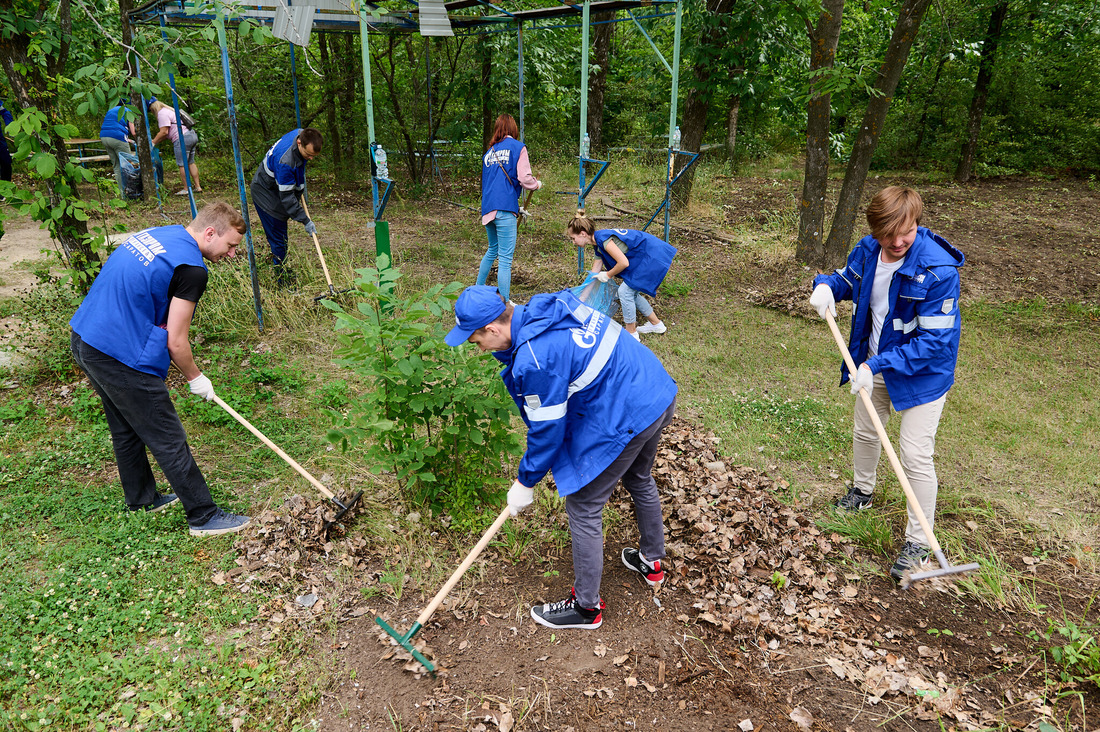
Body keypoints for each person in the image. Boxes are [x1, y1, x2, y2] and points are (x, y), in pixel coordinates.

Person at [445, 285, 678, 629]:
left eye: (475, 341)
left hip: (630, 406)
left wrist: (525, 482)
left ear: (493, 329)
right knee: (638, 477)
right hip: (655, 389)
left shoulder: (536, 358)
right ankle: (652, 562)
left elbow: (547, 430)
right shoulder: (547, 306)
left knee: (583, 506)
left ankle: (586, 608)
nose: (477, 348)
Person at [809, 186, 964, 581]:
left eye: (905, 232)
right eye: (887, 234)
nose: (897, 242)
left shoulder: (938, 270)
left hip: (924, 373)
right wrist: (826, 286)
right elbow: (848, 280)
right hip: (873, 363)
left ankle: (920, 542)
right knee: (866, 430)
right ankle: (862, 493)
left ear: (917, 222)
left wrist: (875, 363)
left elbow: (933, 343)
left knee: (914, 454)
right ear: (875, 229)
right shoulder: (867, 250)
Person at [69, 202, 252, 537]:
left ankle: (142, 498)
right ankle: (203, 515)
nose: (232, 254)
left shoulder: (160, 235)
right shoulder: (192, 269)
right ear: (210, 233)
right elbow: (177, 342)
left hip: (85, 339)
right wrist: (196, 378)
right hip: (118, 354)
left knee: (125, 427)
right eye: (230, 246)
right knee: (167, 435)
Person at [566, 217, 674, 340]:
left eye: (573, 238)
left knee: (625, 292)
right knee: (630, 293)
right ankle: (657, 324)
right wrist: (582, 299)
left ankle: (631, 334)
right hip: (646, 257)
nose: (573, 242)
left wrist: (607, 274)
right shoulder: (598, 245)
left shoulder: (603, 239)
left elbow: (623, 263)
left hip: (652, 256)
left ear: (583, 234)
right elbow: (594, 273)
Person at [477, 114, 541, 301]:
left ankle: (477, 291)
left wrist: (516, 207)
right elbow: (524, 178)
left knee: (492, 250)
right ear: (513, 129)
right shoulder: (518, 147)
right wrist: (537, 185)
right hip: (504, 209)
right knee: (505, 259)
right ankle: (504, 303)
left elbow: (491, 184)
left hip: (488, 208)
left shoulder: (489, 153)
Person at [250, 127, 322, 281]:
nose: (311, 159)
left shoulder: (301, 133)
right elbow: (288, 199)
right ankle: (281, 278)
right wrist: (305, 220)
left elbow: (298, 170)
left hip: (276, 187)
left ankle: (281, 269)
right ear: (299, 143)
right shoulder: (285, 162)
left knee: (281, 234)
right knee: (279, 237)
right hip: (265, 193)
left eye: (314, 155)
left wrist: (299, 190)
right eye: (309, 155)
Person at [148, 97, 202, 196]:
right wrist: (156, 140)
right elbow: (168, 133)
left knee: (182, 164)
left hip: (182, 138)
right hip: (191, 135)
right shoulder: (169, 110)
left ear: (152, 108)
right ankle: (198, 187)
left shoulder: (161, 114)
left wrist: (153, 142)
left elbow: (164, 132)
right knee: (190, 162)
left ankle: (186, 189)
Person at [99, 98, 137, 196]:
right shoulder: (128, 111)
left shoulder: (111, 110)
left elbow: (112, 126)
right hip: (118, 137)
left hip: (104, 137)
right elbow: (133, 132)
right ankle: (132, 191)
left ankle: (122, 193)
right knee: (128, 165)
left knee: (116, 165)